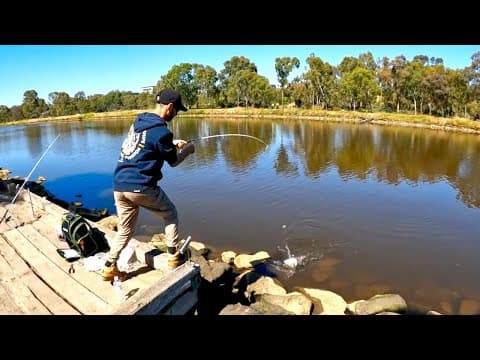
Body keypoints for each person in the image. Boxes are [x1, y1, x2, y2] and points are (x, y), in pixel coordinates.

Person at [101, 88, 195, 282]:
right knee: (170, 214)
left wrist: (173, 142)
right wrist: (188, 150)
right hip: (141, 186)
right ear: (169, 107)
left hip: (119, 185)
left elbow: (146, 144)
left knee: (125, 229)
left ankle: (109, 266)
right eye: (176, 110)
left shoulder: (139, 122)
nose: (176, 114)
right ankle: (173, 257)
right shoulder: (161, 131)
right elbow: (174, 161)